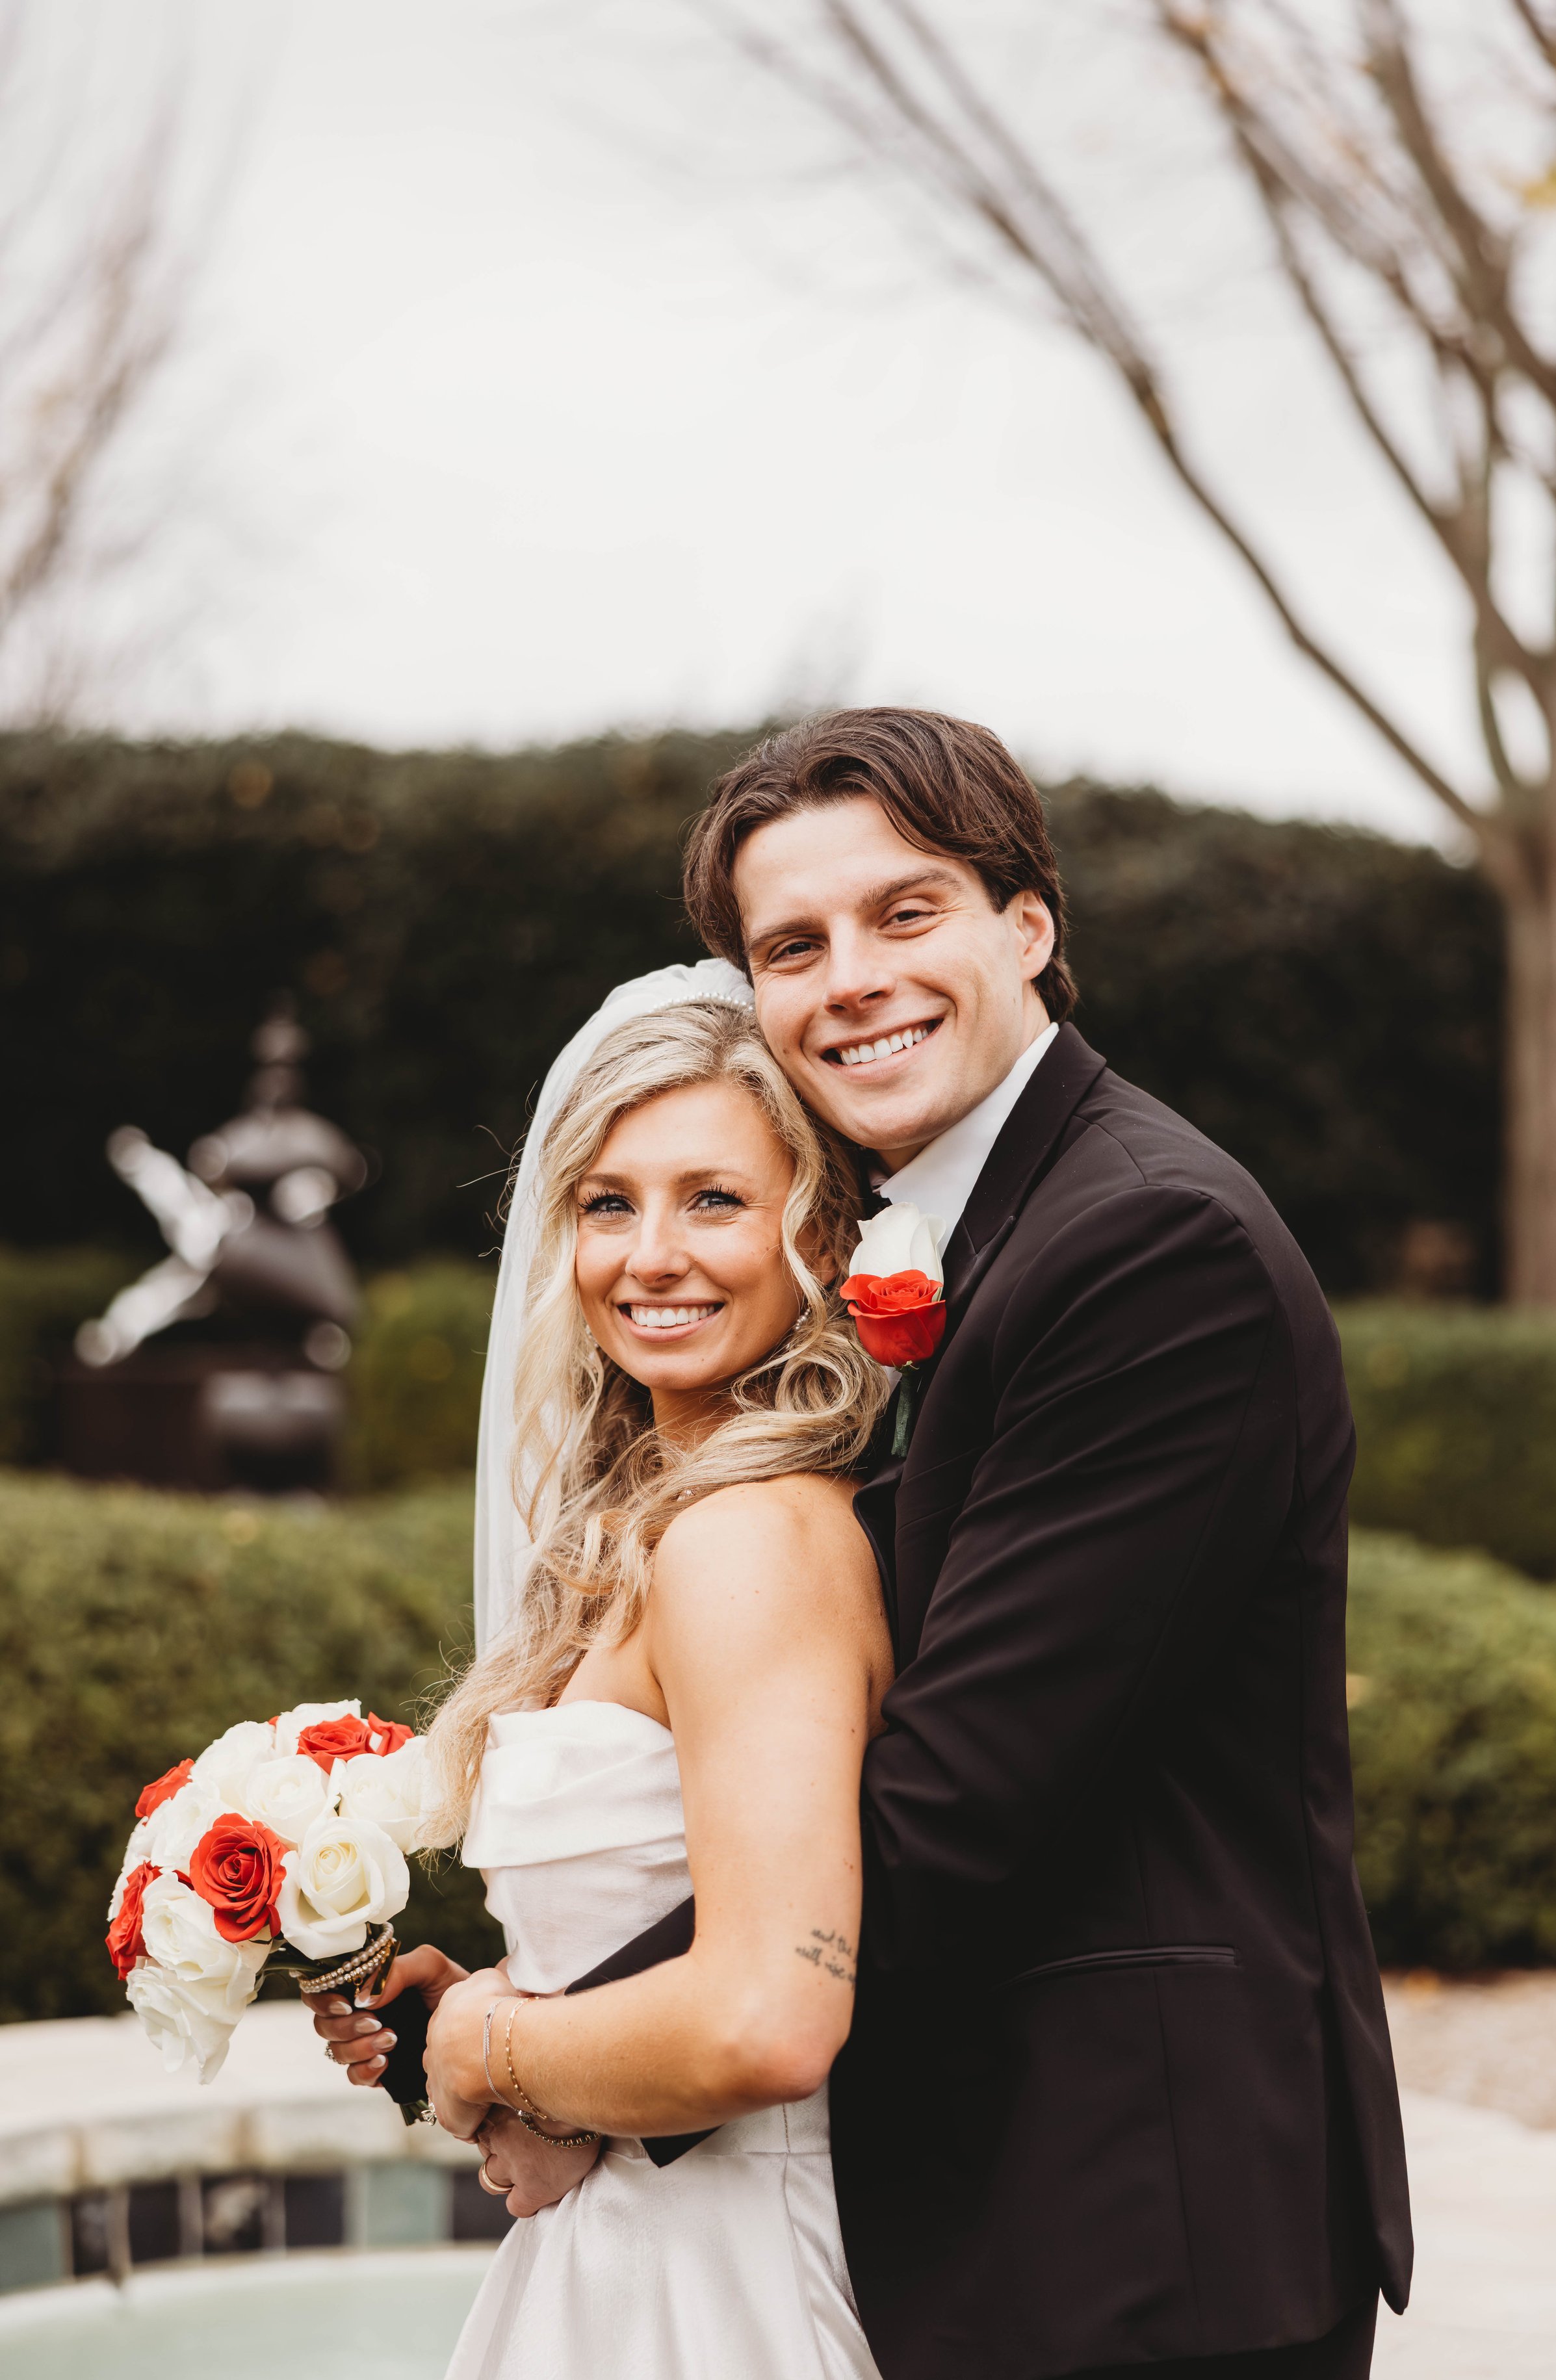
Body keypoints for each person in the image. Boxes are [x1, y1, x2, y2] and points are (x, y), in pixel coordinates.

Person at [322, 706, 1414, 2379]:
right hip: (990, 2206)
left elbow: (942, 1812)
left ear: (1026, 923)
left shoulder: (1145, 1248)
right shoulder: (955, 1232)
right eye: (793, 945)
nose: (851, 980)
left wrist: (521, 2051)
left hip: (1141, 2214)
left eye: (903, 914)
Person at [318, 993, 894, 2377]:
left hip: (722, 2284)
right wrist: (500, 2002)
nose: (650, 1256)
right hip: (619, 2245)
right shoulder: (651, 1524)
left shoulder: (751, 1540)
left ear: (818, 1236)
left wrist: (489, 2047)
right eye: (607, 1203)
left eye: (714, 1199)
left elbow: (767, 2020)